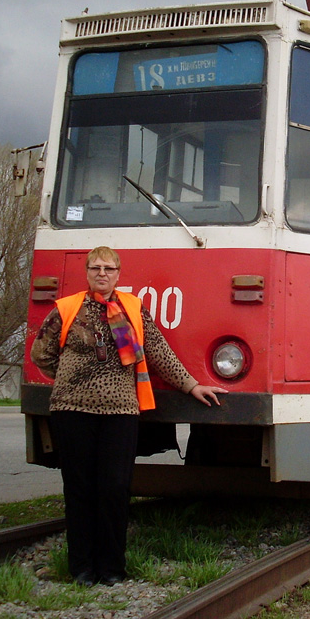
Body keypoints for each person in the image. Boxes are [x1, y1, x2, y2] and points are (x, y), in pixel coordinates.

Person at [31, 246, 226, 586]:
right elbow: (41, 354)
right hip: (72, 410)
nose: (102, 274)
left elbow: (158, 352)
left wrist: (192, 386)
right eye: (95, 268)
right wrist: (72, 377)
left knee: (115, 488)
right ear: (87, 272)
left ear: (119, 274)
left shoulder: (132, 309)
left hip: (120, 411)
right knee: (79, 488)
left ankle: (111, 569)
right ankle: (81, 569)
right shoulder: (66, 309)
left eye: (108, 268)